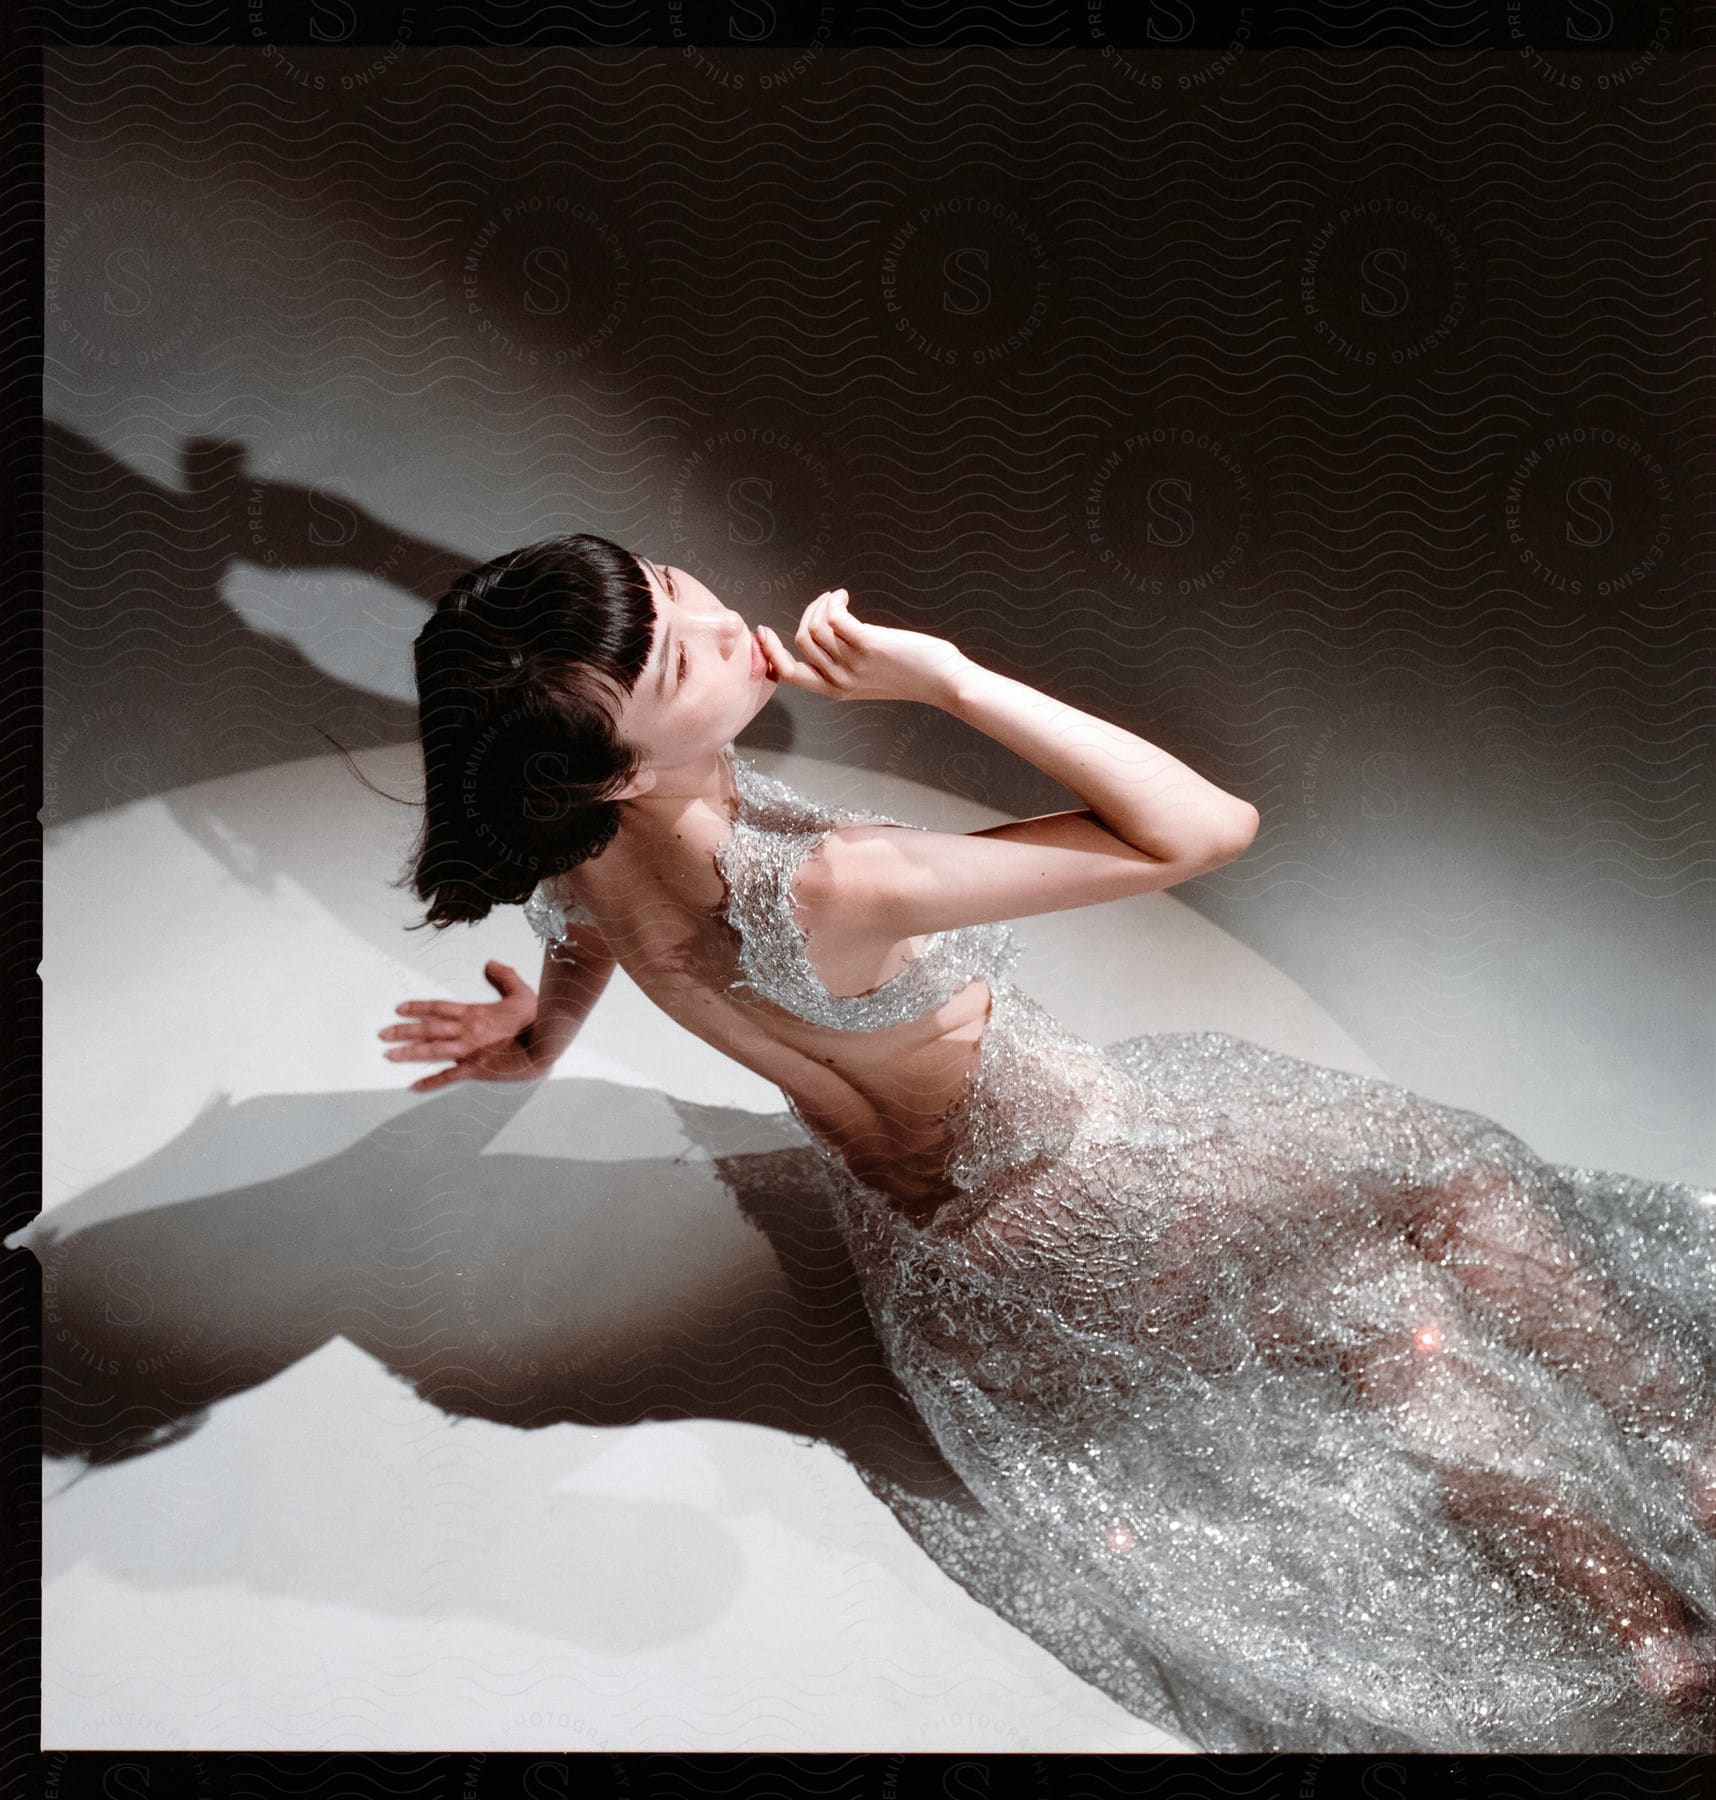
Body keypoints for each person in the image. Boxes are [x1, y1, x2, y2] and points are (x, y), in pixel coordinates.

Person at [382, 531, 1716, 1752]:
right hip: (1103, 1196)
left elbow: (582, 931)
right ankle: (1698, 1469)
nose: (727, 619)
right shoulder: (837, 882)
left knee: (1374, 1324)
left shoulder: (578, 846)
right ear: (621, 764)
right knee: (1454, 1188)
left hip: (946, 1283)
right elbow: (1204, 827)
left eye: (677, 584)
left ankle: (1649, 1638)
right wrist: (949, 678)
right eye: (685, 653)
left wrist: (537, 1044)